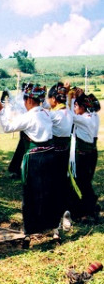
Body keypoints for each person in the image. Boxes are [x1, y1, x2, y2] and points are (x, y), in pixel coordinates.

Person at [0, 83, 58, 247]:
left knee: (31, 193)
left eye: (25, 99)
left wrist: (1, 111)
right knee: (48, 191)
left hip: (35, 158)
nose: (24, 102)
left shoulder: (29, 116)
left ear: (30, 100)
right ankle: (52, 226)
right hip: (50, 155)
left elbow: (8, 127)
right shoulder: (46, 114)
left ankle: (32, 229)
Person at [68, 91, 100, 222]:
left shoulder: (82, 119)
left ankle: (86, 211)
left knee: (81, 183)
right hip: (92, 154)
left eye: (76, 106)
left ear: (82, 107)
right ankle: (91, 208)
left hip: (83, 155)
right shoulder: (94, 116)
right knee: (86, 182)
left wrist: (70, 98)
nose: (75, 108)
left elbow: (69, 115)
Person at [46, 83, 73, 231]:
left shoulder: (52, 115)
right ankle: (65, 212)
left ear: (54, 100)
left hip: (53, 154)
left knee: (52, 186)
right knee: (62, 182)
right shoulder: (68, 111)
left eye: (49, 99)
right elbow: (68, 102)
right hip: (65, 152)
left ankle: (55, 220)